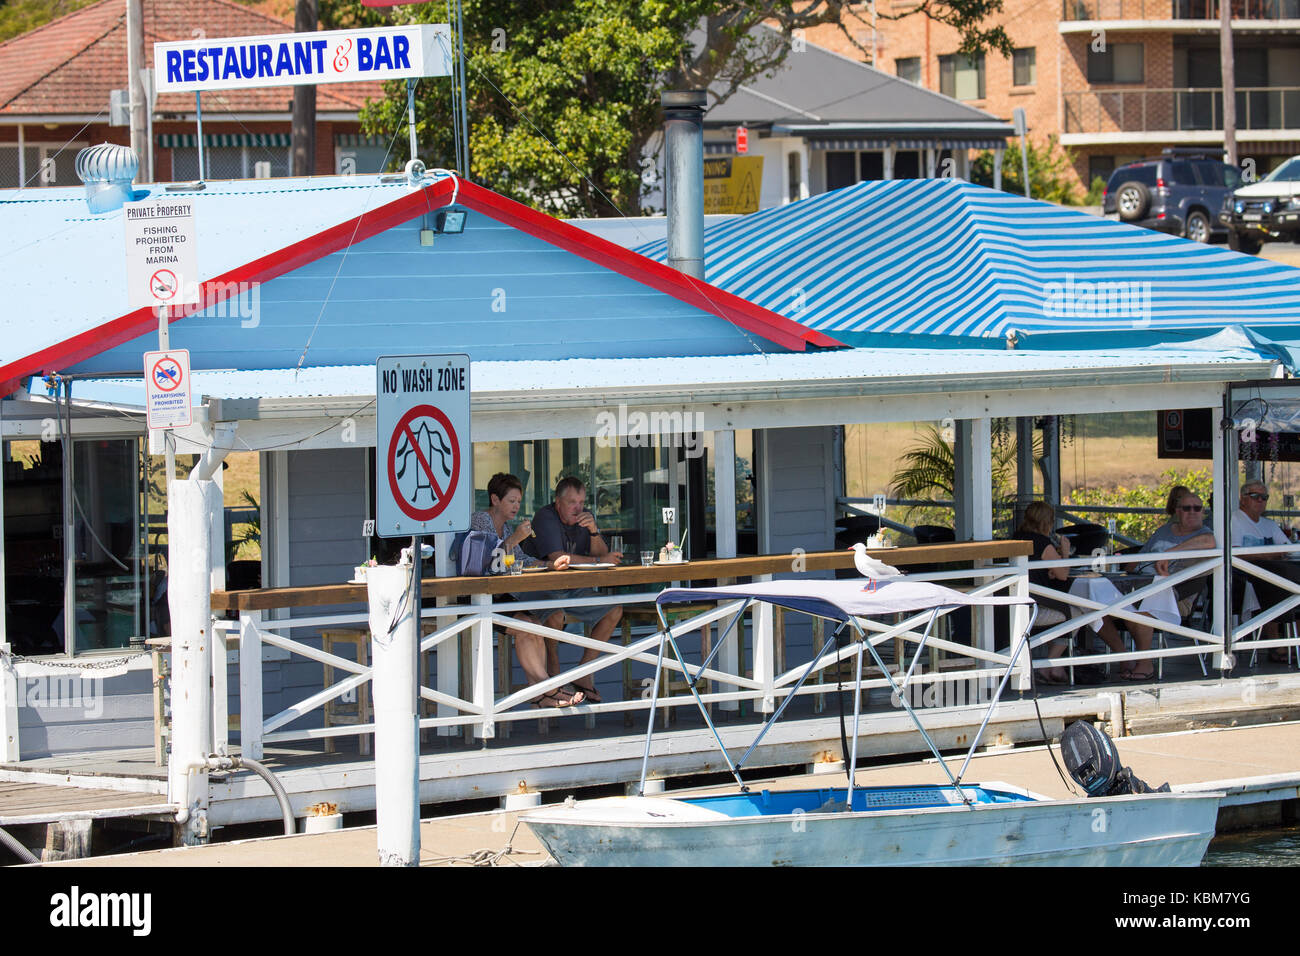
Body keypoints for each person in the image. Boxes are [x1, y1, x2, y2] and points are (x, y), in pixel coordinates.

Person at [470, 473, 582, 708]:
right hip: (477, 599)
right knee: (528, 626)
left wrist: (551, 564)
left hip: (500, 597)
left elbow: (521, 560)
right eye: (511, 501)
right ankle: (548, 689)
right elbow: (483, 564)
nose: (516, 506)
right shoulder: (481, 520)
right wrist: (514, 538)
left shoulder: (508, 527)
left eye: (519, 501)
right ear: (495, 499)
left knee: (534, 626)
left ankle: (542, 694)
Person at [1097, 486, 1216, 681]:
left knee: (1141, 610)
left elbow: (1209, 542)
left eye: (1197, 508)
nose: (1192, 512)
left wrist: (1168, 554)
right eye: (1187, 508)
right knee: (1095, 605)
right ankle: (1124, 656)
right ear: (1177, 511)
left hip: (1174, 594)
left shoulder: (1204, 534)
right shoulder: (1164, 530)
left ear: (1203, 511)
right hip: (1140, 584)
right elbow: (1142, 556)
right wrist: (1123, 571)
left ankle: (1145, 662)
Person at [531, 476, 624, 703]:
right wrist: (598, 559)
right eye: (572, 502)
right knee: (554, 615)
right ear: (558, 502)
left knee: (613, 610)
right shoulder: (546, 517)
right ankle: (553, 673)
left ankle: (584, 672)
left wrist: (593, 531)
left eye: (581, 502)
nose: (578, 507)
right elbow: (557, 557)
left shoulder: (584, 519)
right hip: (540, 590)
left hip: (572, 590)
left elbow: (603, 555)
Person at [1231, 480, 1293, 662]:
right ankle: (1274, 643)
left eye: (1264, 497)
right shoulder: (1235, 519)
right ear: (1243, 499)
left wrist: (1266, 556)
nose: (1260, 500)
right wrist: (1270, 555)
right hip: (1243, 577)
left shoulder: (1269, 525)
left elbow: (1287, 550)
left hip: (1275, 574)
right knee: (1274, 585)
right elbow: (1235, 554)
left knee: (1292, 582)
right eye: (1255, 496)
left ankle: (1293, 642)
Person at [1012, 501, 1074, 684]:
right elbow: (1063, 574)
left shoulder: (1017, 537)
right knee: (1077, 614)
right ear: (1047, 522)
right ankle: (1050, 664)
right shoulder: (1043, 543)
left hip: (1016, 602)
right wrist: (1065, 552)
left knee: (1069, 611)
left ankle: (1054, 666)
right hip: (1033, 609)